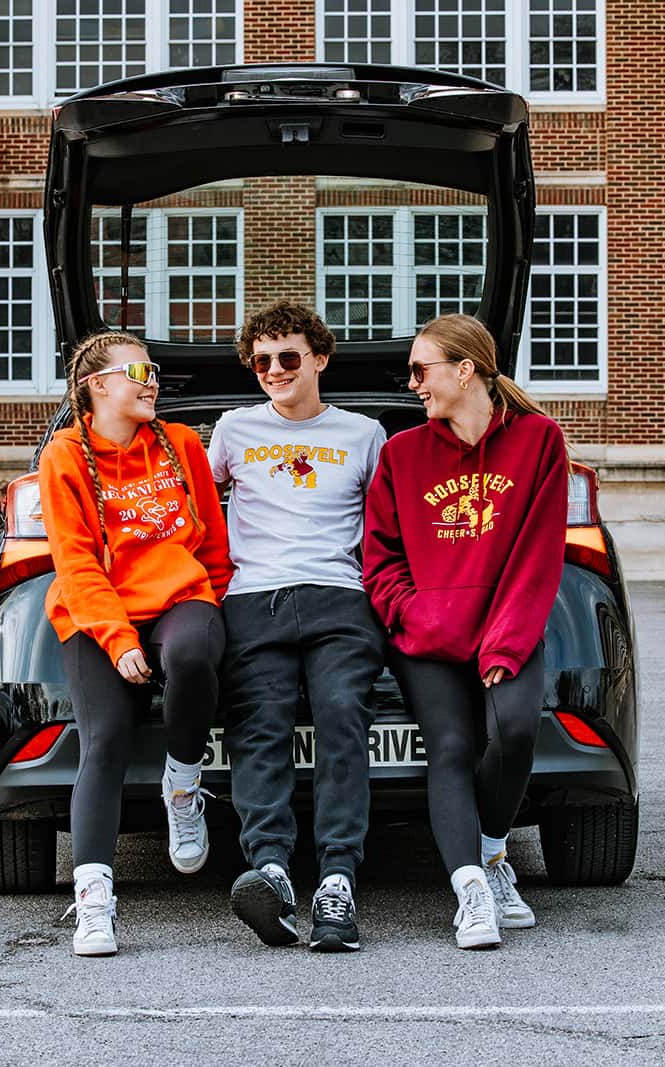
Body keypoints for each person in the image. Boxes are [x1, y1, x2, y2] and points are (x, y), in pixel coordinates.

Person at [362, 313, 569, 951]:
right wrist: (414, 614)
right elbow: (380, 557)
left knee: (513, 731)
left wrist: (504, 643)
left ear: (465, 369)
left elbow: (538, 556)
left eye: (422, 370)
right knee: (449, 748)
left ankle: (492, 852)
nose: (414, 384)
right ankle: (472, 891)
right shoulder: (402, 454)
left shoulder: (539, 442)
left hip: (503, 630)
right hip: (426, 638)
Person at [39, 330, 233, 957]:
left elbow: (212, 546)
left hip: (181, 598)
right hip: (98, 612)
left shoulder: (179, 445)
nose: (152, 381)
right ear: (98, 386)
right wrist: (120, 641)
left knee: (193, 654)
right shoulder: (65, 455)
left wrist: (218, 604)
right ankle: (94, 901)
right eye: (139, 371)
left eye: (154, 371)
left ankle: (182, 783)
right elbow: (75, 563)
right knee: (106, 741)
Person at [208, 301, 387, 952]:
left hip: (340, 596)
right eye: (261, 360)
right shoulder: (233, 428)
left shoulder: (364, 433)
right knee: (261, 723)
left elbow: (387, 528)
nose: (274, 370)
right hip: (254, 597)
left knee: (342, 714)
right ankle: (273, 873)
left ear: (319, 358)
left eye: (287, 356)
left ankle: (337, 882)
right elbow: (199, 509)